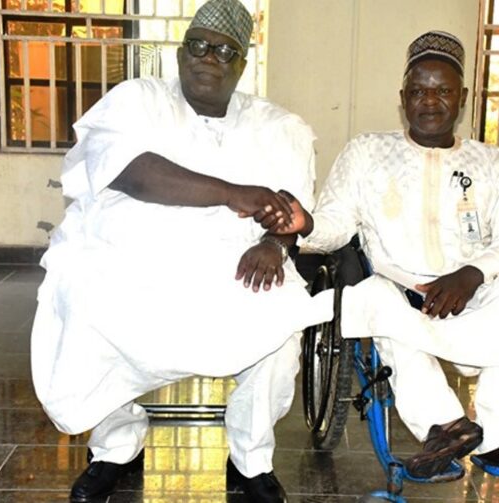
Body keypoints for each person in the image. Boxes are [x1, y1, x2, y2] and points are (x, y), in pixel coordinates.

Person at [30, 1, 332, 501]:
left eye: (224, 50)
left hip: (232, 262)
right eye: (198, 45)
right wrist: (234, 192)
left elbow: (290, 210)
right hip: (126, 256)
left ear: (242, 63)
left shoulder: (279, 126)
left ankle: (250, 460)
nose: (207, 58)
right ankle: (116, 446)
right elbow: (134, 173)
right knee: (80, 292)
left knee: (283, 316)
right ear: (179, 52)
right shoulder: (136, 99)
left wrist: (275, 247)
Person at [279, 31, 499, 480]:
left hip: (478, 290)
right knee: (374, 298)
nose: (430, 101)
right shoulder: (367, 152)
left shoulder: (493, 163)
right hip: (403, 290)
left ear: (462, 98)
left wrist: (472, 274)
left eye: (443, 90)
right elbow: (336, 222)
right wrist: (306, 225)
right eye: (419, 90)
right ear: (403, 98)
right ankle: (445, 427)